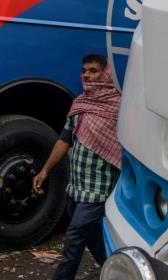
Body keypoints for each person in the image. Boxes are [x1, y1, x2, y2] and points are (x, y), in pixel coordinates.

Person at [32, 54, 122, 280]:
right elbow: (64, 140)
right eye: (84, 71)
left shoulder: (117, 106)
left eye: (93, 71)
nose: (87, 75)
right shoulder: (80, 103)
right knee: (91, 235)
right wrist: (45, 171)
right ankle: (116, 269)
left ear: (105, 73)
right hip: (76, 187)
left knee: (74, 236)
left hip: (98, 187)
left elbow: (124, 148)